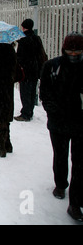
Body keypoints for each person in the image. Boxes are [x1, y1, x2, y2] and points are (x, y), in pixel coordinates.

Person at [39, 32, 83, 222]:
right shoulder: (52, 67)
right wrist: (53, 111)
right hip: (58, 121)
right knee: (61, 154)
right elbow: (45, 93)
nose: (73, 54)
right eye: (70, 50)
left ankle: (76, 202)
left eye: (78, 51)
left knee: (80, 163)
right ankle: (60, 183)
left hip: (80, 121)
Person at [15, 19, 47, 122]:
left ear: (24, 27)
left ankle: (25, 114)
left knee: (25, 92)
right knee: (32, 91)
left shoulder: (24, 40)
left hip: (26, 70)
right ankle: (30, 112)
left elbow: (20, 57)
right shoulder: (36, 38)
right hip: (35, 69)